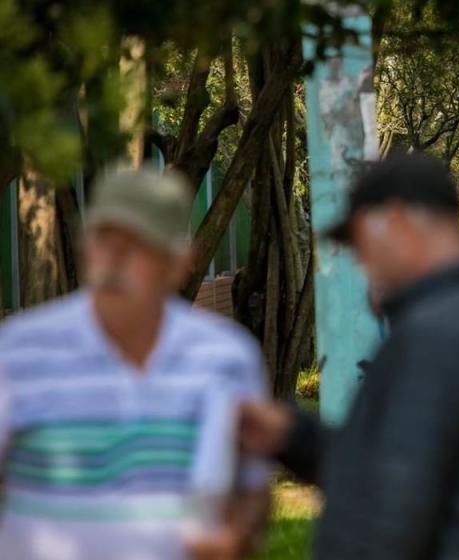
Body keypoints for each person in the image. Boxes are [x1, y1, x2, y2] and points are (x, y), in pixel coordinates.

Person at [239, 152, 459, 559]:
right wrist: (293, 437)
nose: (361, 261)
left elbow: (393, 510)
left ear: (395, 220)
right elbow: (386, 468)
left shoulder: (440, 333)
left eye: (360, 242)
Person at [0, 167, 271, 560]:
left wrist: (236, 537)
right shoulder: (19, 352)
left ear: (181, 263)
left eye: (138, 244)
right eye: (103, 240)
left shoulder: (226, 357)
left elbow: (252, 492)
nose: (114, 258)